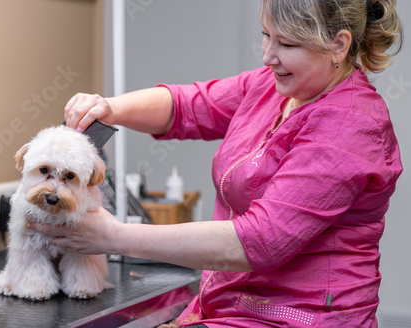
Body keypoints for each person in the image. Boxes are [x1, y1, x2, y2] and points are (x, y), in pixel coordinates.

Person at [29, 0, 403, 326]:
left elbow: (259, 241)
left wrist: (115, 237)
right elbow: (188, 106)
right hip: (228, 304)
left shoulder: (351, 124)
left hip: (300, 317)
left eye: (287, 43)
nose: (267, 55)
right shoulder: (272, 87)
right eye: (266, 35)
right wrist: (111, 108)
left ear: (338, 45)